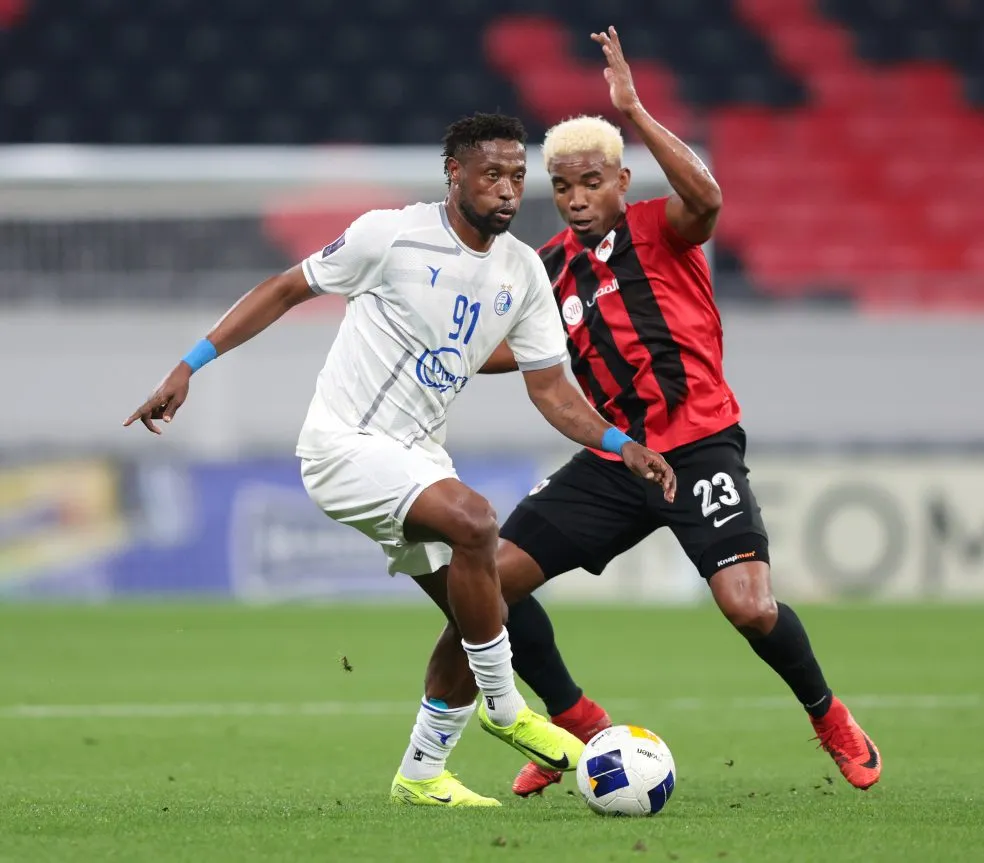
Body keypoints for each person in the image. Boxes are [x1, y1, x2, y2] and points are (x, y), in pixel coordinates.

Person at [123, 112, 676, 807]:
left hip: (416, 455)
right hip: (343, 444)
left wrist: (619, 443)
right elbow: (285, 288)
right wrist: (189, 364)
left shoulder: (523, 272)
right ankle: (507, 709)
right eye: (491, 174)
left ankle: (421, 773)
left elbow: (551, 389)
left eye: (516, 176)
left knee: (483, 606)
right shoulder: (389, 234)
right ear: (455, 175)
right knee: (476, 522)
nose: (508, 190)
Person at [425, 28, 883, 796]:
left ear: (620, 179)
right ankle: (573, 722)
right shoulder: (547, 267)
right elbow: (522, 350)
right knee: (489, 587)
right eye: (563, 187)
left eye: (591, 184)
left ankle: (828, 713)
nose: (576, 199)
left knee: (749, 606)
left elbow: (708, 197)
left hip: (699, 446)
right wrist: (446, 356)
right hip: (613, 457)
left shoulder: (661, 229)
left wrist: (633, 107)